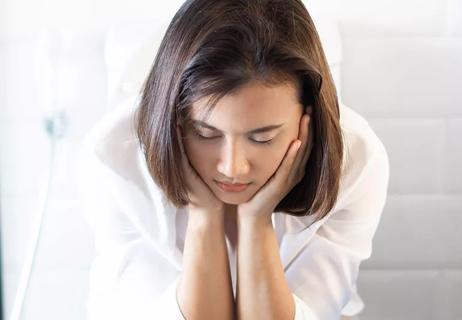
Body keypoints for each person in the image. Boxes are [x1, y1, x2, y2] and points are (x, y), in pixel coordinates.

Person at [77, 0, 390, 319]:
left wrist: (256, 222)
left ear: (306, 116)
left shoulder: (357, 160)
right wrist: (204, 215)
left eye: (262, 137)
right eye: (205, 133)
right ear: (176, 117)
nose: (232, 167)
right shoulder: (116, 157)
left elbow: (314, 310)